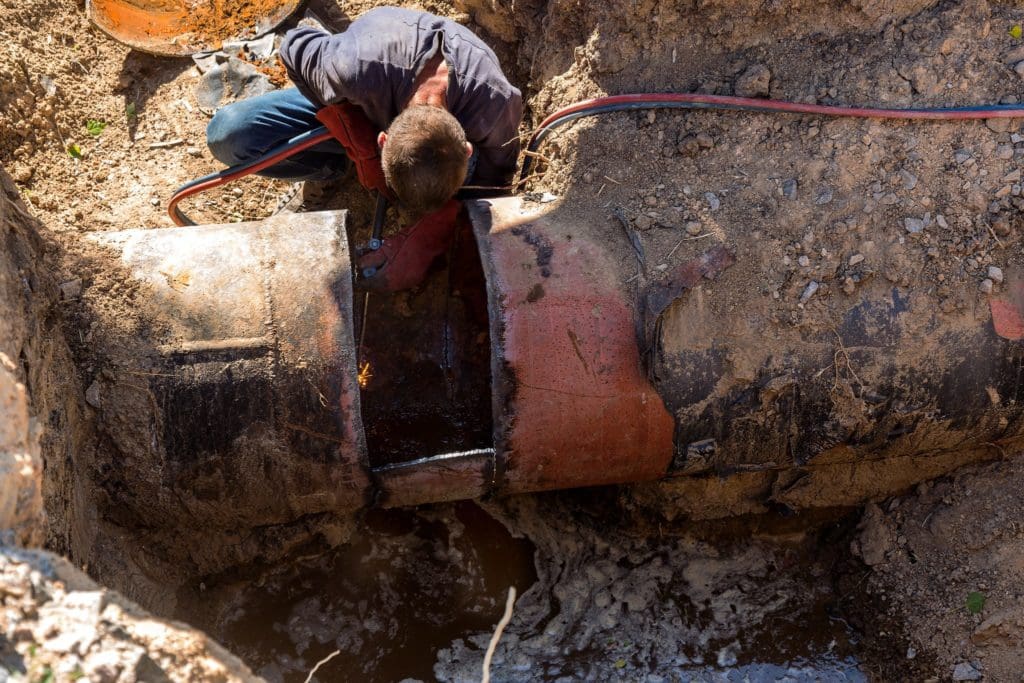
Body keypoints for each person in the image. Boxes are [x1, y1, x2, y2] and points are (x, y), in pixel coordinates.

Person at [205, 6, 523, 290]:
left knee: (478, 179)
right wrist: (353, 134)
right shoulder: (352, 67)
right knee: (230, 135)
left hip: (398, 109)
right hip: (361, 94)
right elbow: (293, 46)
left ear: (465, 148)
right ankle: (330, 170)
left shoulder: (494, 105)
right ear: (381, 140)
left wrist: (436, 229)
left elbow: (496, 179)